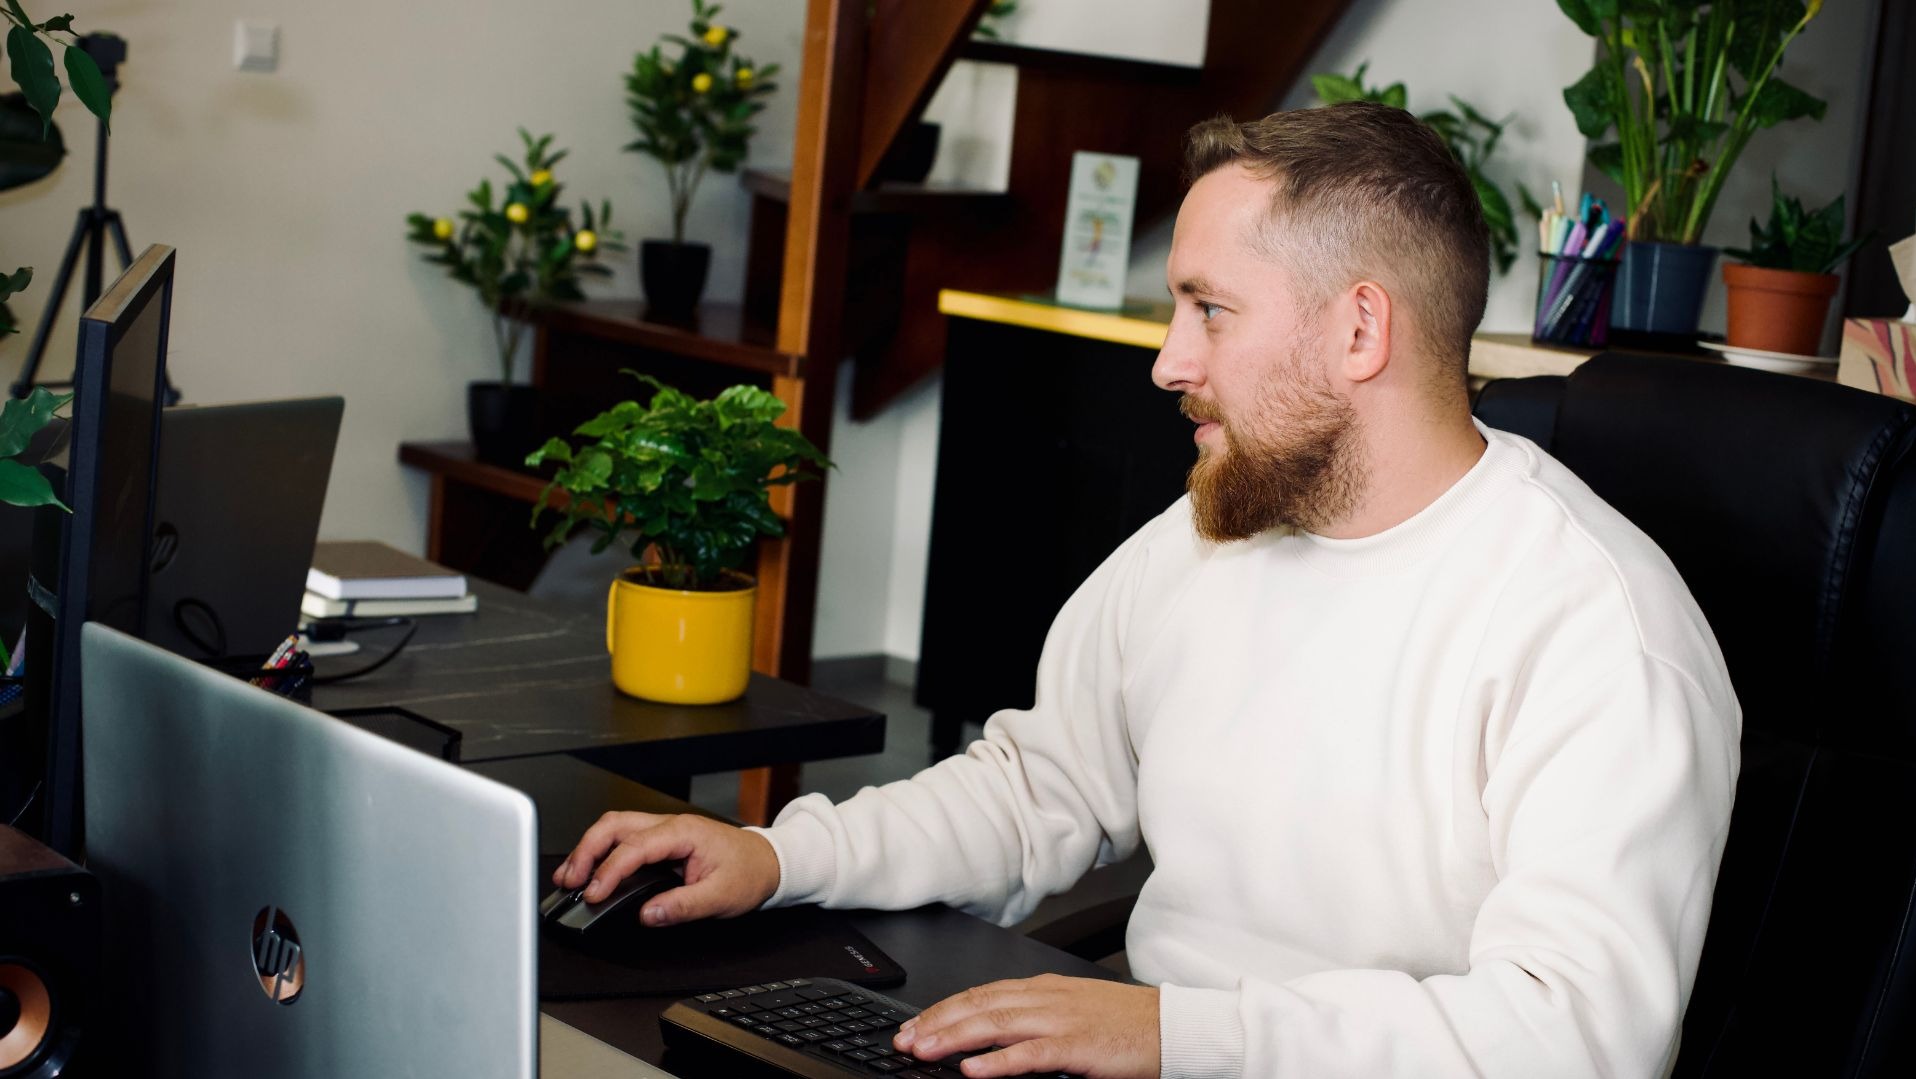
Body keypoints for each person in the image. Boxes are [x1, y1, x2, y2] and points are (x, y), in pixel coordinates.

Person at [553, 101, 1740, 1079]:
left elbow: (1577, 1036)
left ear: (1359, 329)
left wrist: (1178, 1031)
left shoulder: (1594, 628)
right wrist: (776, 856)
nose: (1168, 361)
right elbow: (1040, 786)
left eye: (1208, 310)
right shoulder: (1215, 528)